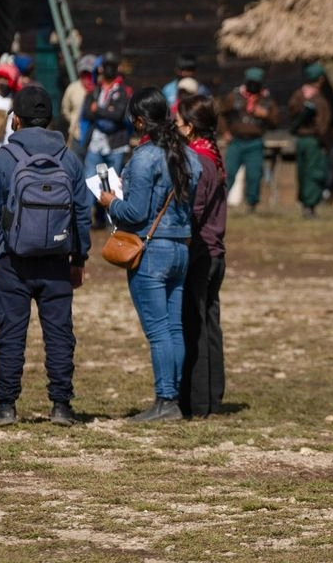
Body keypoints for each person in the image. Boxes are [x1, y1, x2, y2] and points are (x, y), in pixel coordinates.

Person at [0, 85, 92, 428]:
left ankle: (7, 405)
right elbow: (82, 214)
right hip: (57, 260)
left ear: (17, 121)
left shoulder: (3, 159)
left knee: (11, 333)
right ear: (50, 119)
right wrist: (79, 259)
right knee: (59, 334)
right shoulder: (69, 159)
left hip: (13, 260)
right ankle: (62, 406)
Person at [98, 88, 201, 422]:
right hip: (181, 248)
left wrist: (109, 201)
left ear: (140, 121)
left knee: (158, 332)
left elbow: (134, 212)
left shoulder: (144, 158)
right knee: (174, 329)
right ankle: (173, 398)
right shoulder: (189, 155)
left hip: (150, 249)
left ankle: (165, 400)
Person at [175, 95, 228, 418]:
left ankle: (196, 401)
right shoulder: (214, 156)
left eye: (179, 123)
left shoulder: (198, 161)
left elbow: (193, 210)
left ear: (191, 127)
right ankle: (212, 397)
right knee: (209, 324)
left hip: (201, 251)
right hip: (216, 251)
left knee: (194, 325)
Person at [218, 67, 278, 213]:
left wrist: (265, 115)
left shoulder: (266, 100)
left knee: (254, 174)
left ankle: (252, 204)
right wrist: (225, 131)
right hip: (236, 141)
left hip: (255, 142)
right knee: (229, 172)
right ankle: (219, 203)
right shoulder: (234, 96)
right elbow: (221, 114)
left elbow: (275, 122)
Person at [83, 53, 131, 223]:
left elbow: (118, 114)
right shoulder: (95, 90)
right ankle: (87, 219)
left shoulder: (121, 91)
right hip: (95, 143)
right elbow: (86, 111)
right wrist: (104, 111)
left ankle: (115, 220)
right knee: (90, 180)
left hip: (115, 144)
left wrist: (99, 110)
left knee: (114, 183)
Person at [287, 63, 332, 218]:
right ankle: (309, 206)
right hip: (313, 141)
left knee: (303, 172)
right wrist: (325, 143)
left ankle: (305, 204)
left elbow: (291, 114)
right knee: (313, 172)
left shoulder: (297, 95)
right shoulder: (320, 100)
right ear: (320, 79)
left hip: (301, 140)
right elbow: (323, 125)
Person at [61, 54, 96, 156]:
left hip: (95, 139)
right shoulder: (73, 88)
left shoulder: (99, 90)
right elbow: (65, 109)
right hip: (77, 135)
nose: (87, 78)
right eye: (85, 73)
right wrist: (72, 119)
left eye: (90, 73)